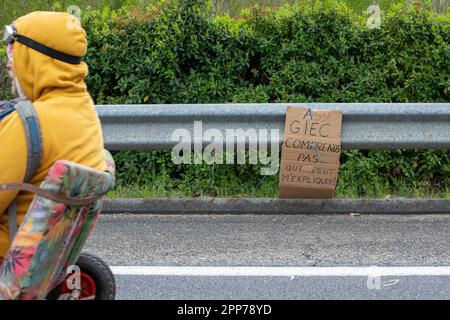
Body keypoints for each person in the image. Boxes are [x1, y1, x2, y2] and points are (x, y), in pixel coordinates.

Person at [0, 12, 106, 259]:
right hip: (47, 252)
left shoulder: (28, 124)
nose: (8, 64)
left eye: (14, 53)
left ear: (35, 59)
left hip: (8, 253)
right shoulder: (84, 111)